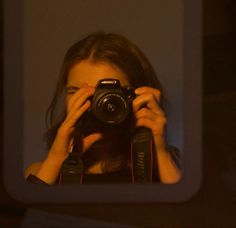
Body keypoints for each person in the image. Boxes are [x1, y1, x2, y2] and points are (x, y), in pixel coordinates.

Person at [24, 32, 182, 185]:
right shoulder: (40, 173)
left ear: (136, 95)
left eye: (106, 94)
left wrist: (159, 151)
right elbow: (30, 211)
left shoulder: (169, 169)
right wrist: (55, 159)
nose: (96, 103)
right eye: (77, 92)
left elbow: (183, 211)